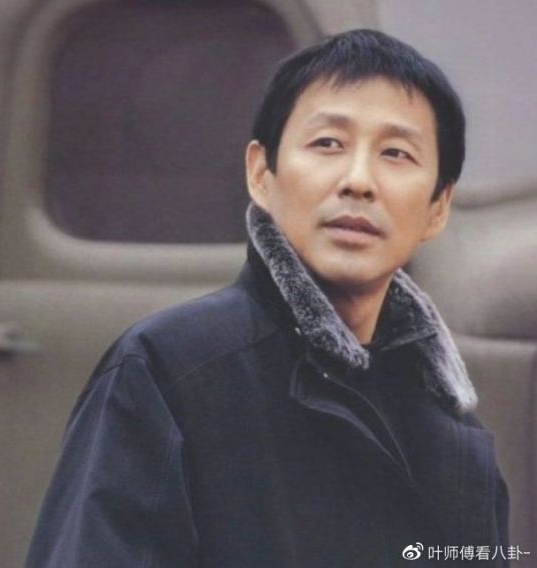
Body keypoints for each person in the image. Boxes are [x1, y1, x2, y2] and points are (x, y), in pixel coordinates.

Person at [25, 29, 509, 567]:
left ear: (438, 208)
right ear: (261, 173)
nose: (358, 181)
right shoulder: (168, 372)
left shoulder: (457, 441)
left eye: (396, 153)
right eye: (328, 143)